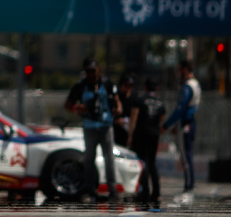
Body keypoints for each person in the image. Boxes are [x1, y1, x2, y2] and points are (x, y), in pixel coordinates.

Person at [64, 57, 121, 201]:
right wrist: (78, 108)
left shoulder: (107, 83)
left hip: (106, 126)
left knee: (109, 157)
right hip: (90, 127)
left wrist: (118, 109)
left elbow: (117, 100)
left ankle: (112, 187)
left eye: (93, 71)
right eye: (88, 71)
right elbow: (68, 105)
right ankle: (89, 187)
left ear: (98, 69)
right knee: (89, 158)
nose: (91, 74)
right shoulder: (80, 86)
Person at [162, 59, 201, 197]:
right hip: (189, 122)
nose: (178, 73)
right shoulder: (195, 84)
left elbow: (180, 109)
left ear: (185, 69)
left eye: (180, 69)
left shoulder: (187, 87)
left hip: (186, 124)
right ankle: (189, 184)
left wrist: (166, 125)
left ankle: (189, 185)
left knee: (186, 156)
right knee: (187, 155)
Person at [128, 77, 166, 205]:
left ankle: (145, 191)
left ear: (145, 87)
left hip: (141, 134)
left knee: (143, 162)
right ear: (156, 88)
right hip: (154, 134)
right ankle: (156, 192)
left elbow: (133, 118)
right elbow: (161, 121)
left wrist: (130, 136)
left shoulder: (140, 100)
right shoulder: (161, 103)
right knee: (152, 162)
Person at [114, 74, 138, 147]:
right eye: (126, 85)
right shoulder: (116, 95)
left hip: (127, 130)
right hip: (115, 129)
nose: (128, 88)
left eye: (130, 86)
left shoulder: (134, 97)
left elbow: (134, 115)